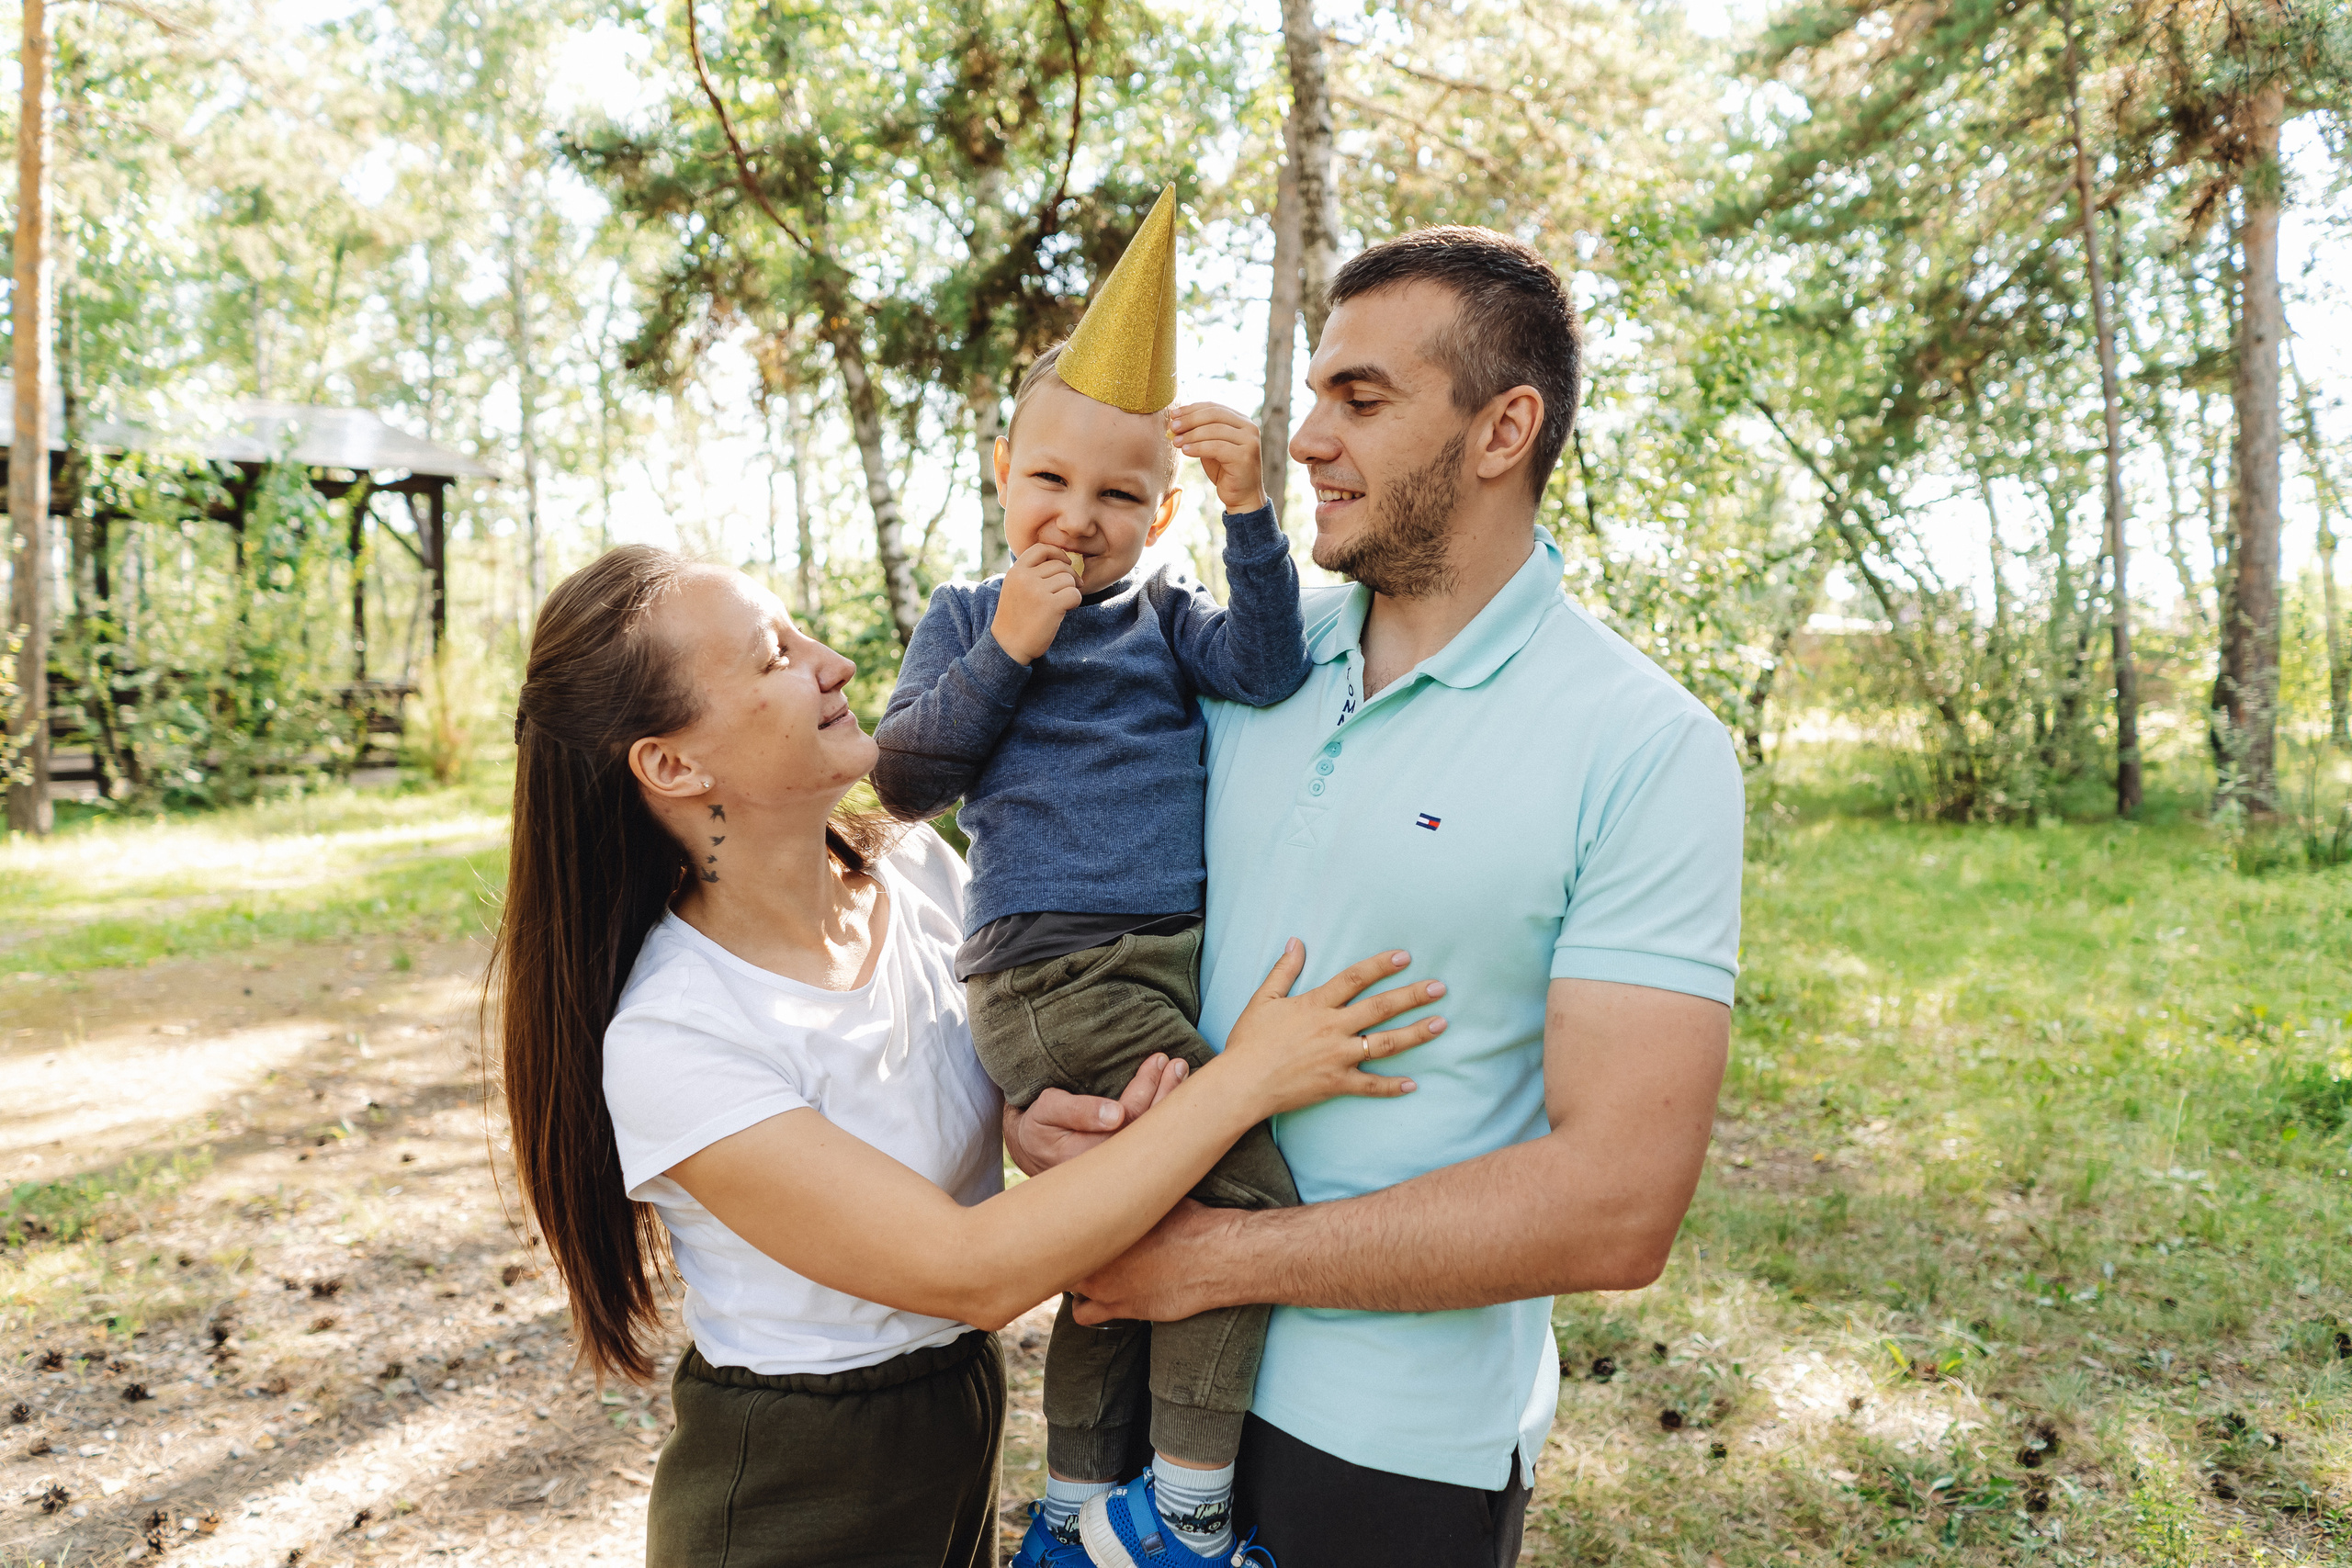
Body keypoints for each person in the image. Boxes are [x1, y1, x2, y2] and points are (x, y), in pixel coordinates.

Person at [1005, 225, 1745, 1565]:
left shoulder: (1646, 742)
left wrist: (1218, 1263)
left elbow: (1621, 1198)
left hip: (1387, 1452)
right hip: (1124, 1379)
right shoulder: (1227, 665)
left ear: (1502, 427)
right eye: (1312, 397)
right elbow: (1069, 919)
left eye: (1360, 398)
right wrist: (1040, 1112)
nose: (1302, 440)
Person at [490, 545, 1452, 1567]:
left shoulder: (913, 876)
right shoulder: (676, 1033)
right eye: (775, 654)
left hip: (956, 1428)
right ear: (673, 765)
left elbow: (929, 1093)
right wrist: (1250, 1078)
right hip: (791, 1484)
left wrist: (1024, 1123)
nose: (834, 664)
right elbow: (971, 1272)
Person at [873, 187, 1316, 1568]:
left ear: (1160, 508)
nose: (1080, 517)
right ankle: (1183, 1512)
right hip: (1060, 969)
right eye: (1052, 482)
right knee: (1245, 1201)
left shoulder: (1167, 614)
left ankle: (1074, 1509)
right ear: (1003, 469)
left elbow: (1270, 666)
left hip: (1129, 973)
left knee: (1128, 1233)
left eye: (1121, 495)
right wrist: (1007, 641)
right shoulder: (968, 614)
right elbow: (904, 778)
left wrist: (1253, 517)